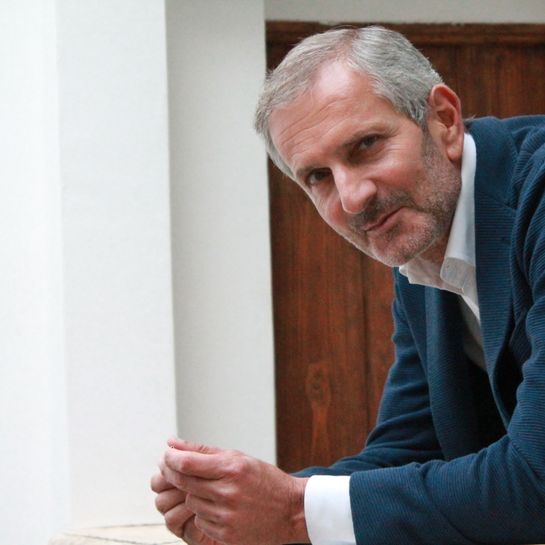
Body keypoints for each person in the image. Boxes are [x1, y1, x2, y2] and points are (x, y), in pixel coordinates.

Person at [150, 26, 545, 545]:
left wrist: (294, 512)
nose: (353, 198)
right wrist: (244, 507)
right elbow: (411, 450)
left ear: (444, 120)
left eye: (366, 146)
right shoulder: (423, 247)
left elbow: (537, 478)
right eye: (318, 176)